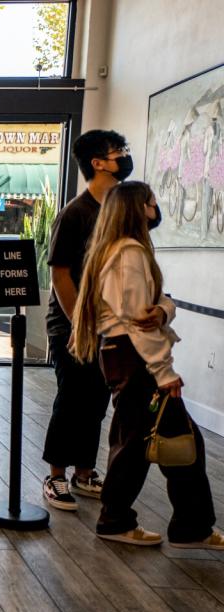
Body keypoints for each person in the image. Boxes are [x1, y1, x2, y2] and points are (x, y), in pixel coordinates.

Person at [71, 181, 222, 548]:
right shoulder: (129, 254)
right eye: (153, 203)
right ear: (139, 210)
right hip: (136, 360)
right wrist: (165, 372)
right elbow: (142, 324)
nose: (157, 208)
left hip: (127, 358)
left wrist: (165, 308)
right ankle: (127, 522)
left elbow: (155, 307)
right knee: (145, 445)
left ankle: (187, 526)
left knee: (159, 444)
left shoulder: (120, 252)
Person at [42, 129, 136, 511]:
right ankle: (56, 476)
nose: (125, 158)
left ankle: (84, 472)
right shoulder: (75, 213)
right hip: (71, 325)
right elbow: (60, 274)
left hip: (108, 323)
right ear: (98, 163)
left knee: (97, 400)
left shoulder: (117, 212)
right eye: (119, 153)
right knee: (72, 399)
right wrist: (79, 324)